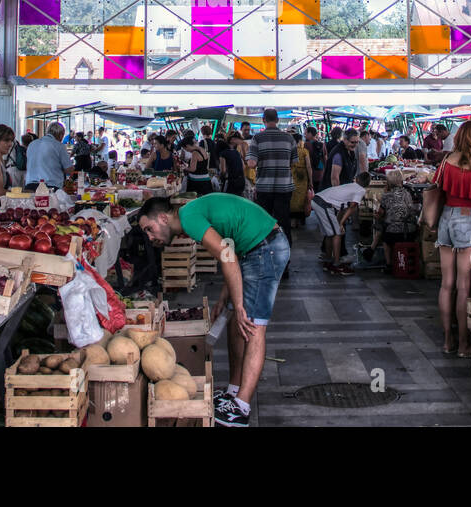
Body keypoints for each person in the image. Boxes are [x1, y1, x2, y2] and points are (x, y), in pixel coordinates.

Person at [138, 192, 290, 427]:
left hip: (265, 249)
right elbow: (230, 247)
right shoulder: (190, 216)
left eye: (149, 229)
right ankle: (233, 391)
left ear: (163, 219)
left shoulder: (189, 218)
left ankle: (241, 408)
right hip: (253, 250)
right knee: (233, 322)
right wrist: (225, 298)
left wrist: (238, 305)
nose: (149, 237)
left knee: (252, 325)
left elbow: (228, 258)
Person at [431, 119, 471, 358]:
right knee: (463, 286)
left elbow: (435, 184)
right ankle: (463, 345)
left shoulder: (447, 161)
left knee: (446, 284)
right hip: (467, 219)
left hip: (446, 218)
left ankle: (447, 340)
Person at [247, 108, 306, 255]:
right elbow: (293, 162)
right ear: (278, 120)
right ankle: (284, 258)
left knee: (263, 222)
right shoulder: (289, 138)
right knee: (283, 221)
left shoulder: (257, 138)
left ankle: (264, 254)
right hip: (284, 187)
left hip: (264, 188)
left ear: (263, 120)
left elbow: (251, 164)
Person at [311, 171, 371, 275]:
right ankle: (336, 264)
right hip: (324, 204)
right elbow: (352, 207)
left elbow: (342, 207)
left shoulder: (351, 186)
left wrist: (339, 222)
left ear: (357, 179)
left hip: (318, 200)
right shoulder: (361, 190)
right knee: (337, 234)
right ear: (367, 184)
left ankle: (328, 262)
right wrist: (341, 223)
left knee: (330, 234)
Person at [369, 169, 417, 266]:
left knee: (385, 238)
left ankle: (389, 263)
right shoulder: (408, 193)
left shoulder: (387, 195)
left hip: (393, 233)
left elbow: (380, 214)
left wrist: (373, 213)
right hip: (410, 231)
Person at [25, 122, 74, 190]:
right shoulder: (59, 146)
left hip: (30, 186)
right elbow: (69, 169)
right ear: (61, 135)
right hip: (50, 187)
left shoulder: (32, 144)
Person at [289, 131, 314, 234]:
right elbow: (308, 166)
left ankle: (292, 221)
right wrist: (311, 180)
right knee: (301, 199)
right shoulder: (304, 151)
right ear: (299, 141)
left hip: (291, 176)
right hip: (302, 177)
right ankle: (298, 221)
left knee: (292, 199)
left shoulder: (289, 151)